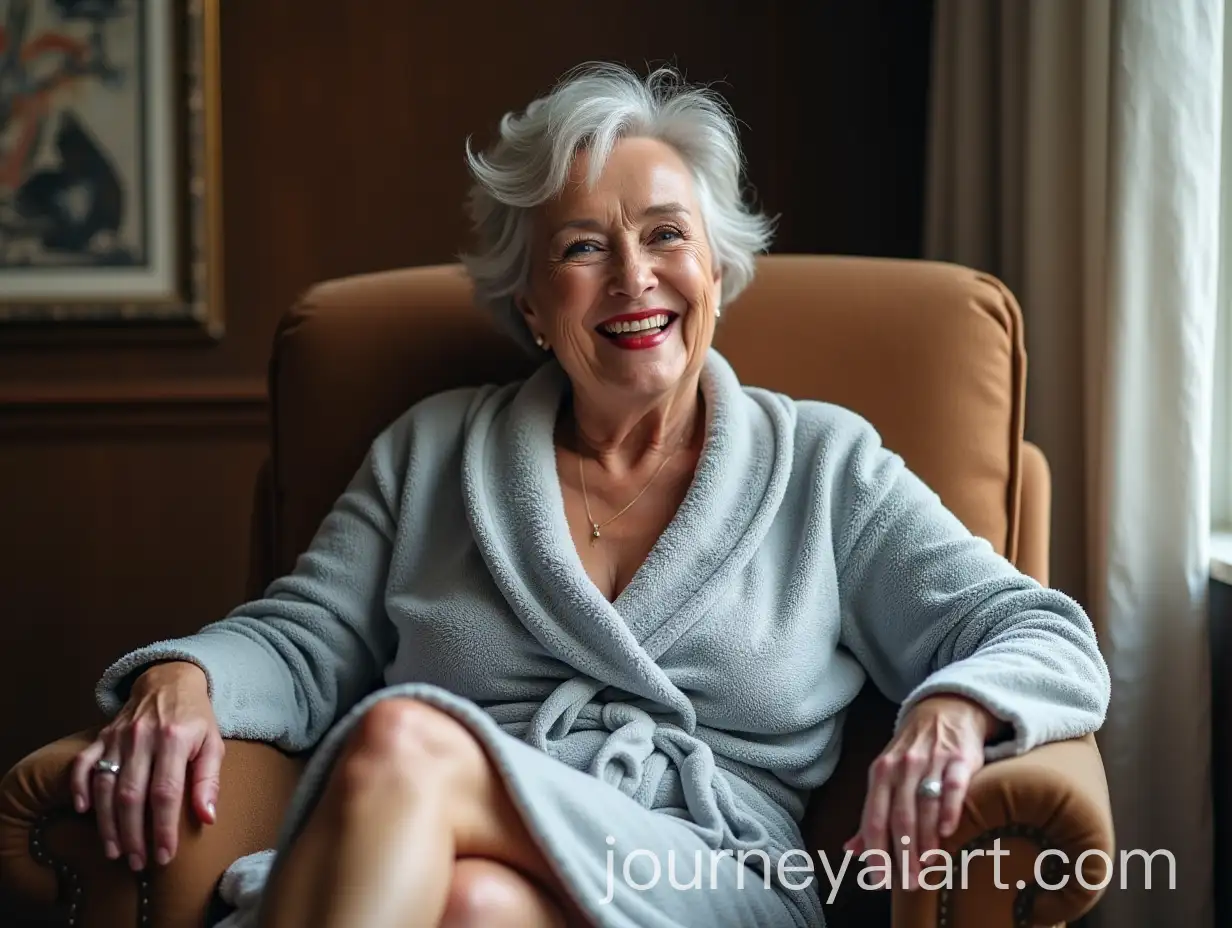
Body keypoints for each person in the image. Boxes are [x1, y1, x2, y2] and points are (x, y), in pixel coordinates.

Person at [71, 62, 1110, 928]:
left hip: (708, 872)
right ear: (529, 302)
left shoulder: (823, 466)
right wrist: (189, 675)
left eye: (666, 235)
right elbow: (303, 642)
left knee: (401, 739)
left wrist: (953, 705)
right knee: (473, 907)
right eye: (581, 247)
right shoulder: (432, 452)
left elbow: (1038, 630)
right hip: (464, 866)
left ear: (717, 268)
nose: (632, 276)